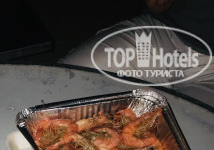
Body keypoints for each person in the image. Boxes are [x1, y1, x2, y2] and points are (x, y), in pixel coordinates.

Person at [58, 0, 214, 108]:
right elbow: (158, 5)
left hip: (210, 67)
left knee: (186, 133)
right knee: (63, 83)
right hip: (160, 30)